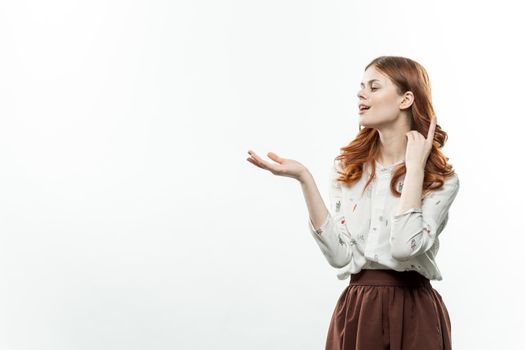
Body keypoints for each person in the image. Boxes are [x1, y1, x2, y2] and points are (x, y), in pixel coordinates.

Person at [246, 55, 459, 350]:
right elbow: (340, 257)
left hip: (415, 311)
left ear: (405, 99)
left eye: (374, 87)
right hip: (359, 309)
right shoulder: (348, 169)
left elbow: (403, 247)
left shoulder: (439, 179)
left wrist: (415, 168)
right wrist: (304, 177)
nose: (361, 94)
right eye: (361, 87)